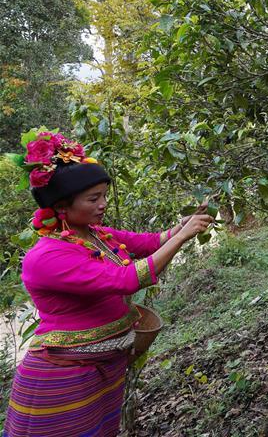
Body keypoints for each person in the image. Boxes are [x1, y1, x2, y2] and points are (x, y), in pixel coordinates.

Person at [3, 130, 214, 437]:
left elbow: (151, 242)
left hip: (104, 366)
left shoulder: (95, 233)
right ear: (62, 206)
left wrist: (178, 228)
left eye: (104, 195)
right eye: (93, 198)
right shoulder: (47, 257)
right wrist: (183, 238)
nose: (102, 204)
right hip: (64, 375)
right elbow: (128, 280)